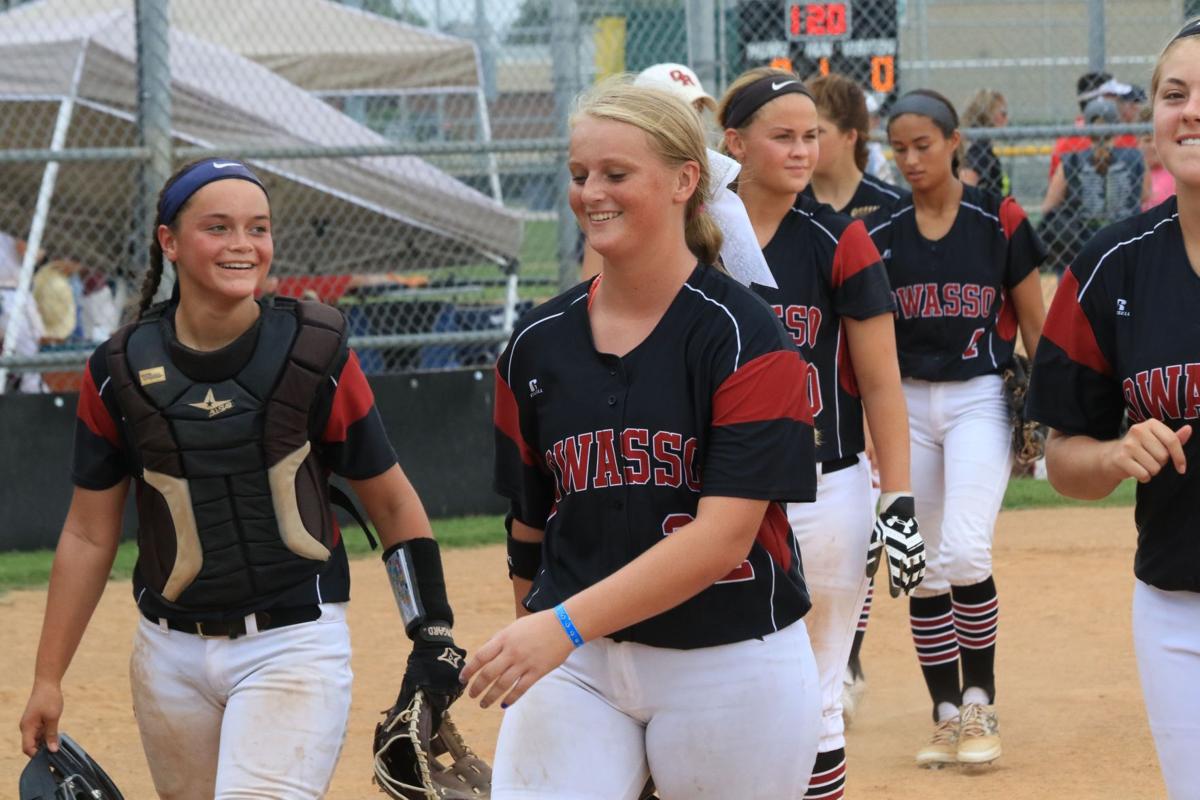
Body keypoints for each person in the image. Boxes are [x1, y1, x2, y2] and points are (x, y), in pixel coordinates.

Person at [17, 158, 468, 799]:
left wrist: (432, 631)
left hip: (293, 643)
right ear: (168, 241)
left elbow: (391, 501)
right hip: (167, 652)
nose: (242, 245)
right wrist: (48, 678)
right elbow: (89, 535)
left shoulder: (314, 349)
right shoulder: (117, 369)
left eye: (258, 228)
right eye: (218, 227)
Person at [465, 79, 823, 799]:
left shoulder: (747, 336)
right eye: (579, 175)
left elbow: (723, 538)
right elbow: (529, 525)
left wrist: (555, 627)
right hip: (580, 664)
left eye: (616, 174)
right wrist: (544, 631)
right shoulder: (536, 343)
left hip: (728, 660)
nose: (591, 192)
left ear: (684, 181)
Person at [717, 67, 923, 799]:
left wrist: (896, 495)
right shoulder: (696, 238)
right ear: (734, 143)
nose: (803, 151)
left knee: (820, 685)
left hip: (824, 484)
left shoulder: (841, 242)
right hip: (713, 493)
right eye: (784, 137)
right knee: (713, 681)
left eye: (812, 136)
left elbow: (879, 383)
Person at [1025, 19, 1200, 798]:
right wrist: (1113, 456)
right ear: (1154, 122)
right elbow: (1063, 457)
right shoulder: (1109, 269)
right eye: (1175, 93)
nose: (1191, 110)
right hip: (1179, 607)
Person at [869, 89, 1047, 768]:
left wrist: (1051, 409)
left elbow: (1035, 322)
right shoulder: (879, 234)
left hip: (978, 397)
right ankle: (945, 713)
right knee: (920, 567)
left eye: (924, 144)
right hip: (904, 406)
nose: (911, 159)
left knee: (966, 551)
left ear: (953, 144)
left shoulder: (997, 221)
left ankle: (980, 703)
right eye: (900, 147)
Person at [579, 62, 719, 282]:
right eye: (679, 112)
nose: (693, 123)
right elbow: (592, 289)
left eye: (697, 110)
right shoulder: (613, 207)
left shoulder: (725, 186)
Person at [1041, 97, 1145, 275]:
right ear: (1116, 128)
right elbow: (1145, 195)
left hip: (1080, 249)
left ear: (1087, 129)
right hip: (1126, 244)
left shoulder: (1071, 160)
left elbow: (1049, 206)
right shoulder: (1135, 157)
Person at [805, 72, 904, 220]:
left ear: (850, 136)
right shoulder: (786, 203)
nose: (802, 145)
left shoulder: (894, 206)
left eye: (815, 133)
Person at [960, 88, 1010, 197]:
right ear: (988, 114)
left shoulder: (978, 143)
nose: (1007, 118)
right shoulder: (980, 146)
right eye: (1003, 113)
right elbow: (966, 186)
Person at [1138, 105, 1176, 210]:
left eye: (1157, 139)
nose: (1153, 146)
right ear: (1138, 143)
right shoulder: (1134, 173)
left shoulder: (1176, 173)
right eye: (1147, 140)